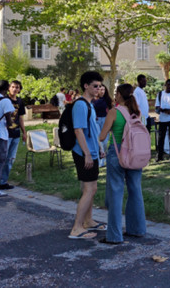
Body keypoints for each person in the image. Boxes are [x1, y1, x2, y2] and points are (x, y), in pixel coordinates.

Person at [97, 83, 146, 244]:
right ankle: (137, 229)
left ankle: (114, 235)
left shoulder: (114, 112)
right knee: (135, 190)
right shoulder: (136, 112)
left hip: (117, 154)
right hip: (135, 154)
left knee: (115, 193)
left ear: (119, 94)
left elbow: (102, 136)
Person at [68, 71, 106, 240]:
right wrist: (87, 154)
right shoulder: (81, 105)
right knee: (89, 189)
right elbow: (78, 131)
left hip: (92, 151)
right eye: (95, 86)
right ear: (86, 86)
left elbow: (93, 129)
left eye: (100, 86)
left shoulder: (90, 104)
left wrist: (99, 147)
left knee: (91, 188)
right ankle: (77, 227)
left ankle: (88, 220)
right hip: (84, 153)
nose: (98, 89)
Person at [0, 80, 26, 190]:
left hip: (16, 133)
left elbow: (20, 118)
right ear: (9, 88)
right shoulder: (5, 100)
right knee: (2, 157)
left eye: (17, 87)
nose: (15, 89)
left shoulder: (20, 101)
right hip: (5, 134)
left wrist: (24, 132)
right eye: (13, 87)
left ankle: (3, 181)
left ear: (19, 89)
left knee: (10, 159)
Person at [92, 85, 113, 163]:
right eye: (100, 89)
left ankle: (104, 158)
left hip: (105, 120)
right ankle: (100, 159)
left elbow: (111, 110)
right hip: (96, 120)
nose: (102, 91)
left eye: (103, 89)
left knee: (105, 140)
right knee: (98, 139)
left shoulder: (108, 100)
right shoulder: (93, 100)